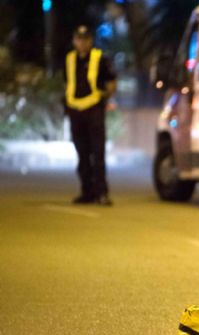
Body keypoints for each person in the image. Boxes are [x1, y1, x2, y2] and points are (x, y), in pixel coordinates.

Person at [64, 25, 117, 205]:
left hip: (94, 110)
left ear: (91, 41)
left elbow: (111, 84)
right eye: (78, 39)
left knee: (98, 153)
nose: (82, 42)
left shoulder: (100, 58)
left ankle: (101, 192)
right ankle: (87, 192)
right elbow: (67, 83)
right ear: (74, 41)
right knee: (82, 154)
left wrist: (104, 99)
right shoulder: (69, 59)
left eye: (85, 39)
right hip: (75, 111)